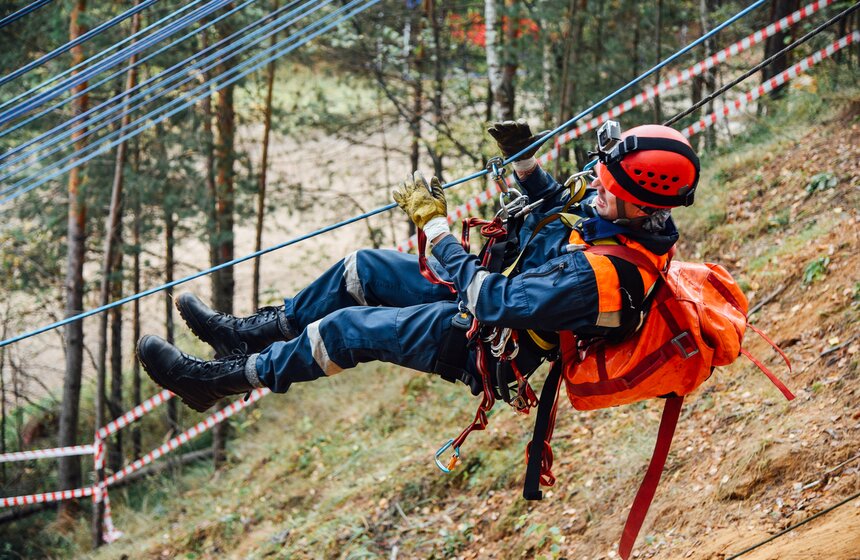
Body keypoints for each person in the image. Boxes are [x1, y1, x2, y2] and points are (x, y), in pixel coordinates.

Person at [137, 121, 699, 413]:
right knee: (363, 269)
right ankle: (249, 335)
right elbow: (561, 212)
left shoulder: (605, 282)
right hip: (486, 289)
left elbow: (489, 301)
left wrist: (435, 231)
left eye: (608, 188)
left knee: (345, 332)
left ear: (645, 203)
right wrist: (528, 166)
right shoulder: (620, 217)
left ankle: (215, 382)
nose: (596, 189)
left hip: (485, 341)